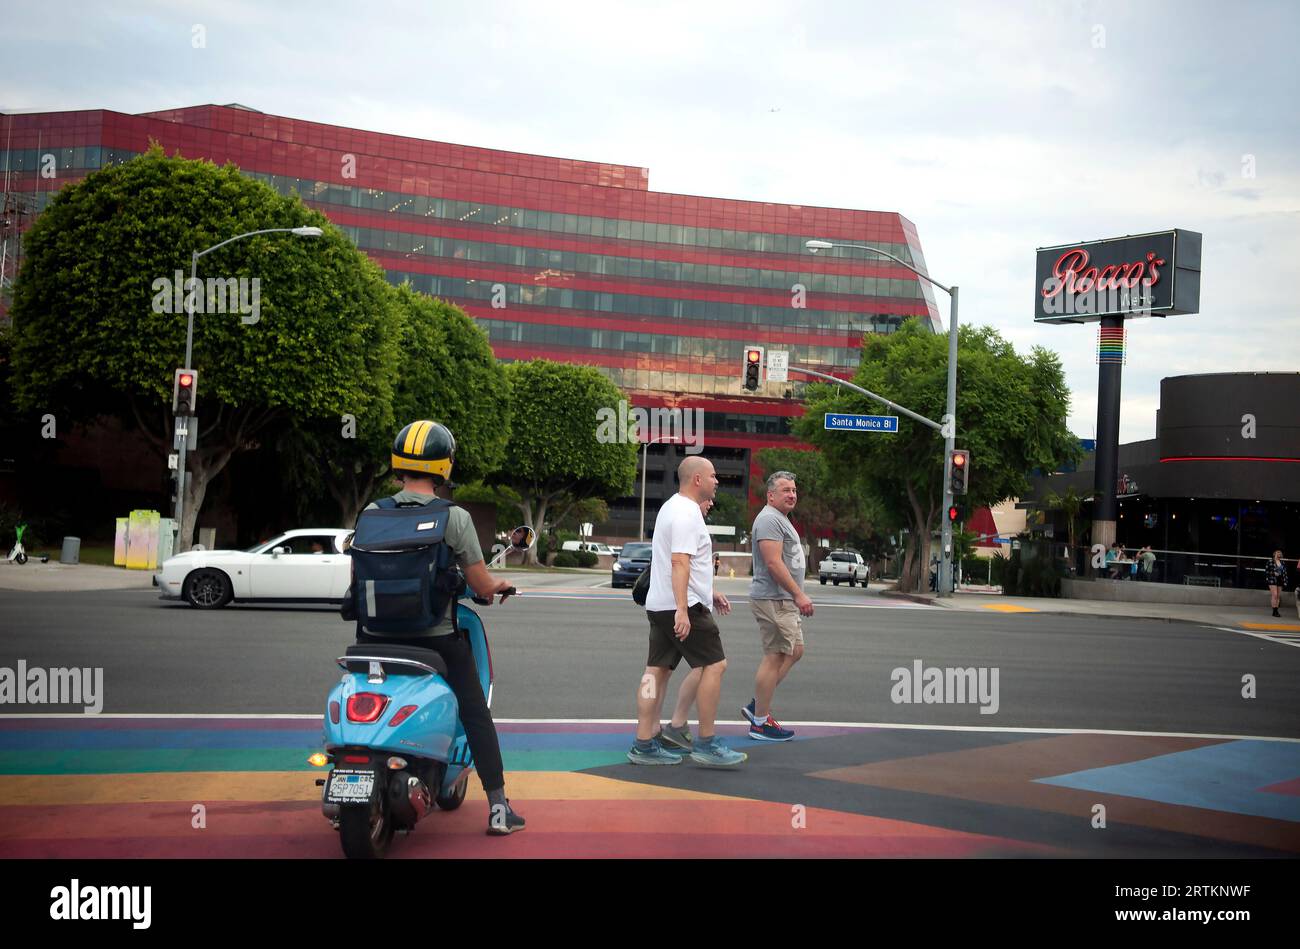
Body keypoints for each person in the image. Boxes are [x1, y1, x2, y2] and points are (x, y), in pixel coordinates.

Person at [355, 420, 523, 835]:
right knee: (475, 712)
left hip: (372, 639)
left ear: (399, 465)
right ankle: (499, 807)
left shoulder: (372, 513)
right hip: (435, 642)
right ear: (444, 466)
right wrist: (497, 585)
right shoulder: (454, 518)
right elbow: (481, 584)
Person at [628, 456, 746, 767]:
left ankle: (644, 742)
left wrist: (710, 592)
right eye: (712, 476)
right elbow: (680, 561)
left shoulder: (670, 507)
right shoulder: (687, 513)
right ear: (697, 480)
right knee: (714, 666)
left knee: (656, 671)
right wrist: (683, 608)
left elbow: (682, 564)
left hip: (660, 604)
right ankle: (706, 743)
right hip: (683, 606)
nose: (717, 481)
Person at [741, 471, 814, 741]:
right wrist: (798, 595)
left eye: (794, 490)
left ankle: (756, 706)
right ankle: (760, 722)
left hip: (783, 600)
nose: (792, 494)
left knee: (795, 650)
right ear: (771, 495)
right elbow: (773, 563)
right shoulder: (770, 519)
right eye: (786, 490)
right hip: (774, 598)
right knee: (776, 656)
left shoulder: (779, 519)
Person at [1264, 550, 1288, 618]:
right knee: (1275, 595)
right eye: (1278, 553)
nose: (1279, 554)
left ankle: (1276, 610)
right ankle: (1274, 611)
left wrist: (1285, 581)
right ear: (1274, 554)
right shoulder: (1270, 561)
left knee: (1278, 596)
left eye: (1280, 553)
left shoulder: (1282, 562)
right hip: (1272, 580)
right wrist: (1273, 573)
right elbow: (1266, 571)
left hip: (1280, 580)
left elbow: (1285, 572)